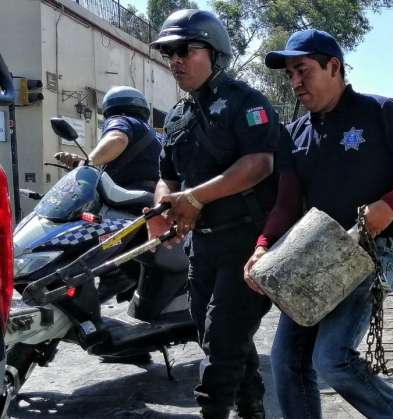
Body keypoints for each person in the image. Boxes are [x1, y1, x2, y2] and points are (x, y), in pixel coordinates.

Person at [243, 29, 393, 419]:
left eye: (302, 70)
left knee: (332, 358)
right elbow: (286, 203)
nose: (295, 81)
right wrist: (263, 245)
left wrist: (391, 203)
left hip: (366, 252)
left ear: (333, 66)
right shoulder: (293, 134)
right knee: (286, 361)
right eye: (290, 74)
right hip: (309, 257)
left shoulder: (380, 112)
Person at [147, 9, 280, 419]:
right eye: (169, 52)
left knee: (220, 347)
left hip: (245, 244)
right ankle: (253, 408)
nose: (175, 60)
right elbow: (166, 176)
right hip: (200, 249)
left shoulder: (246, 103)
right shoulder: (176, 116)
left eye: (185, 49)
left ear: (215, 52)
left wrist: (196, 198)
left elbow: (260, 163)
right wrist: (163, 209)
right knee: (220, 339)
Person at [54, 86, 161, 191]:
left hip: (125, 199)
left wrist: (87, 163)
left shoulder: (121, 119)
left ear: (108, 110)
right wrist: (80, 161)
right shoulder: (157, 136)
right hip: (155, 198)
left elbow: (118, 139)